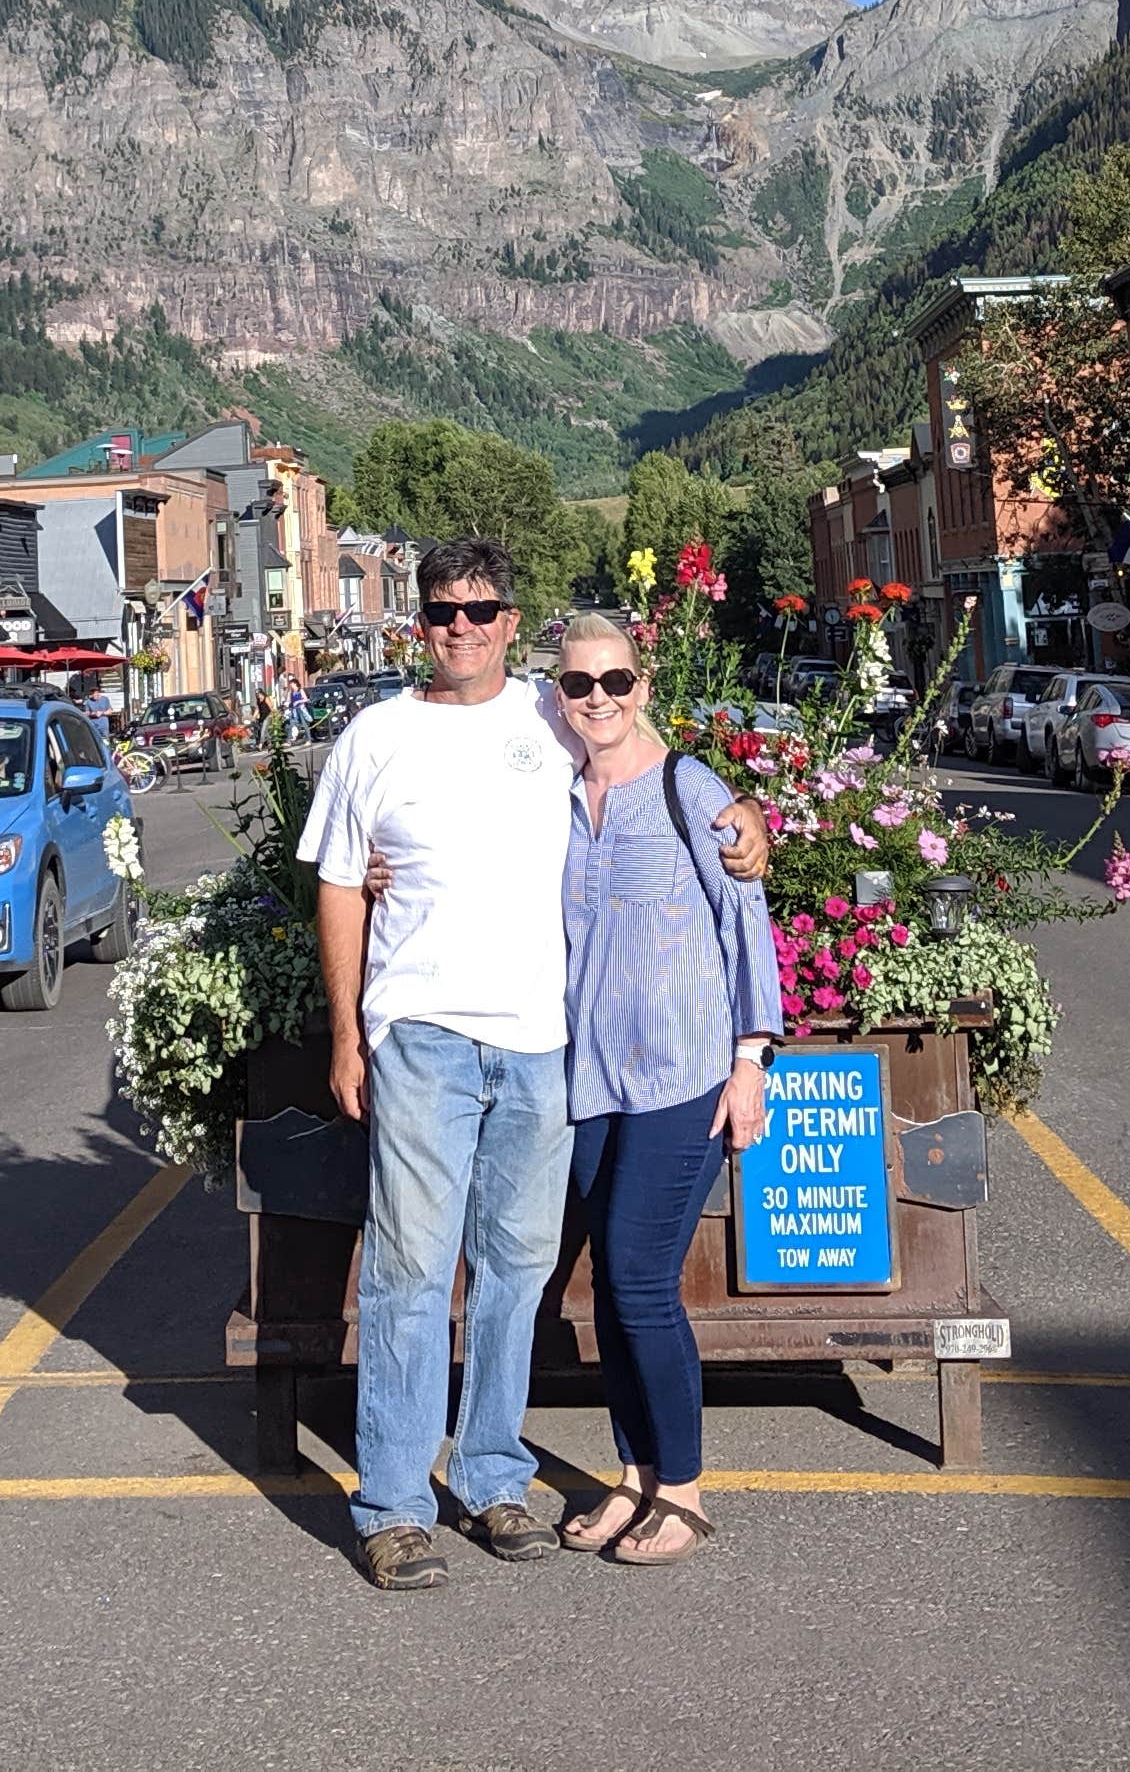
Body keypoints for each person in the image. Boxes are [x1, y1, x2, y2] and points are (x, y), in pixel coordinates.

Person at [306, 544, 771, 1594]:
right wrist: (347, 1035)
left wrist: (749, 823)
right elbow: (339, 883)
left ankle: (491, 1478)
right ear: (417, 621)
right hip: (420, 1031)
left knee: (517, 1275)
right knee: (411, 1271)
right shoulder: (373, 737)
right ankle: (392, 1502)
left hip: (544, 1047)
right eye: (441, 610)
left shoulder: (551, 714)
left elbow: (652, 753)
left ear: (512, 621)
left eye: (480, 609)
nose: (459, 625)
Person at [545, 610, 779, 1566]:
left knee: (641, 1281)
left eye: (616, 681)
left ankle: (681, 1489)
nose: (597, 698)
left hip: (683, 1073)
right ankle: (635, 1479)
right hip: (589, 1077)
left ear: (644, 685)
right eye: (577, 684)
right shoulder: (551, 791)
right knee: (610, 1291)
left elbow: (746, 924)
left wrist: (751, 1062)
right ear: (556, 695)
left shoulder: (692, 789)